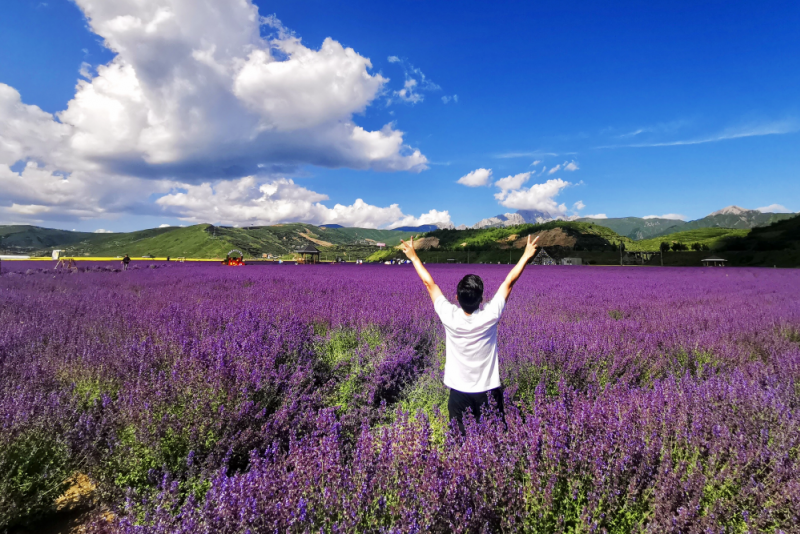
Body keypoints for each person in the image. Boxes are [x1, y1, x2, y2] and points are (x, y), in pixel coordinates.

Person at [400, 233, 540, 435]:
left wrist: (413, 257)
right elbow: (509, 282)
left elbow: (429, 284)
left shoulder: (449, 316)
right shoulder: (490, 316)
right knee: (495, 441)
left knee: (459, 442)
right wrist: (526, 255)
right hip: (489, 391)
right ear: (482, 299)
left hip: (459, 393)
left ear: (456, 297)